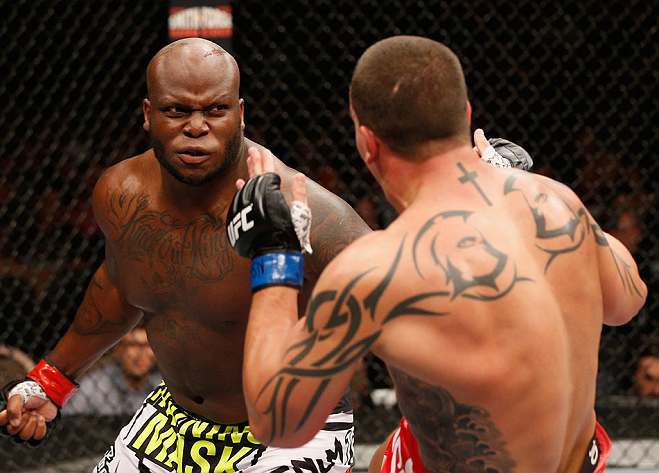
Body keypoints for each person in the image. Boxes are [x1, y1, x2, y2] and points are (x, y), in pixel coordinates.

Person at [227, 36, 647, 473]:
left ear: (367, 142)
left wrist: (274, 250)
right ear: (465, 117)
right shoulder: (558, 203)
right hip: (578, 463)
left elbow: (277, 423)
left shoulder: (374, 270)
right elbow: (627, 300)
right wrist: (526, 186)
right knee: (397, 450)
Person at [0, 38, 371, 473]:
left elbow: (403, 296)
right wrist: (50, 382)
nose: (196, 127)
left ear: (240, 114)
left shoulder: (304, 209)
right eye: (177, 111)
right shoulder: (122, 194)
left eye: (214, 111)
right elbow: (120, 288)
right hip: (175, 420)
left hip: (294, 425)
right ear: (149, 114)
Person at [63, 326, 161, 416]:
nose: (141, 354)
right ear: (118, 350)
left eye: (147, 345)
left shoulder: (162, 386)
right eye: (133, 345)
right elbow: (69, 422)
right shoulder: (95, 386)